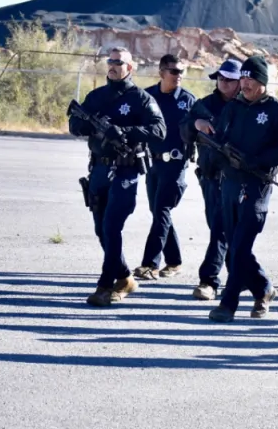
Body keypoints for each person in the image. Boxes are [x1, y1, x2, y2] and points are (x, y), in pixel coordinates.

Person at [202, 56, 278, 322]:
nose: (244, 83)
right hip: (229, 185)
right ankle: (263, 289)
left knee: (241, 245)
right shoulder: (233, 108)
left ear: (262, 82)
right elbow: (219, 138)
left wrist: (258, 160)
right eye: (242, 78)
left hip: (257, 186)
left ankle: (228, 303)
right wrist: (216, 162)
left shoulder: (276, 111)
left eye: (250, 79)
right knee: (235, 246)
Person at [68, 47, 166, 306]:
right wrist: (90, 125)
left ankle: (104, 285)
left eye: (118, 62)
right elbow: (74, 125)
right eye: (110, 61)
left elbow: (159, 130)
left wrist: (124, 131)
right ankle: (124, 277)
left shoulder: (141, 99)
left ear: (130, 68)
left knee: (112, 225)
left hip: (127, 169)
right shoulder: (96, 96)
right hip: (99, 169)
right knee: (101, 228)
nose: (112, 66)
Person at [182, 59, 242, 301]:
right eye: (220, 78)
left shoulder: (247, 107)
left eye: (229, 79)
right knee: (219, 227)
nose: (223, 82)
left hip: (238, 178)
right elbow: (183, 128)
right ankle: (240, 275)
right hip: (210, 177)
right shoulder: (205, 105)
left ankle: (209, 279)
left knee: (222, 228)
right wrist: (196, 124)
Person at [133, 55, 196, 281]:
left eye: (181, 71)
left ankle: (151, 264)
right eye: (173, 71)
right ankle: (175, 261)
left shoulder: (189, 101)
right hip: (152, 163)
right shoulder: (147, 96)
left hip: (177, 164)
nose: (178, 75)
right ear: (161, 72)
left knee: (162, 211)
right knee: (159, 212)